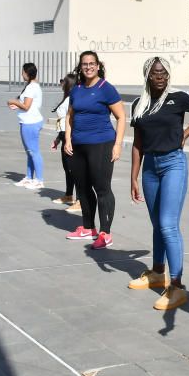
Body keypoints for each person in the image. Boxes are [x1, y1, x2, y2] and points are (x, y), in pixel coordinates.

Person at [128, 57, 189, 311]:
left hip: (173, 164)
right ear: (147, 75)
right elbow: (137, 143)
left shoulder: (178, 98)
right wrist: (134, 176)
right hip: (150, 169)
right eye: (156, 73)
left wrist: (185, 134)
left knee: (168, 225)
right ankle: (157, 273)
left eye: (164, 73)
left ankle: (177, 287)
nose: (161, 77)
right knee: (157, 224)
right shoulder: (138, 104)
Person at [63, 50, 126, 249]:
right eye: (84, 64)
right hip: (78, 145)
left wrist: (117, 145)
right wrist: (67, 139)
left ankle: (105, 233)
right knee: (82, 188)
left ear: (98, 66)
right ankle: (88, 227)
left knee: (102, 188)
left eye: (92, 63)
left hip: (101, 144)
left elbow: (122, 117)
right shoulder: (77, 89)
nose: (88, 67)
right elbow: (69, 116)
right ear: (80, 67)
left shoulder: (106, 89)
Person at [7, 63, 45, 190]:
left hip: (31, 123)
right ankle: (29, 178)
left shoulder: (31, 87)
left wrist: (13, 101)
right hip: (27, 121)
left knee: (34, 152)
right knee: (30, 152)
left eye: (23, 72)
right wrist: (17, 105)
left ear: (27, 73)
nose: (22, 74)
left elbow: (26, 106)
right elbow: (27, 105)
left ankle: (39, 180)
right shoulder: (31, 86)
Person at [51, 74, 79, 211]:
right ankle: (69, 195)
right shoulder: (66, 98)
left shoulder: (72, 99)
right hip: (64, 137)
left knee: (75, 170)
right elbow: (62, 122)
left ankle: (80, 200)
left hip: (71, 139)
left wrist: (66, 138)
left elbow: (70, 121)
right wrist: (58, 139)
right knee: (68, 170)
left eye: (63, 81)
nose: (61, 83)